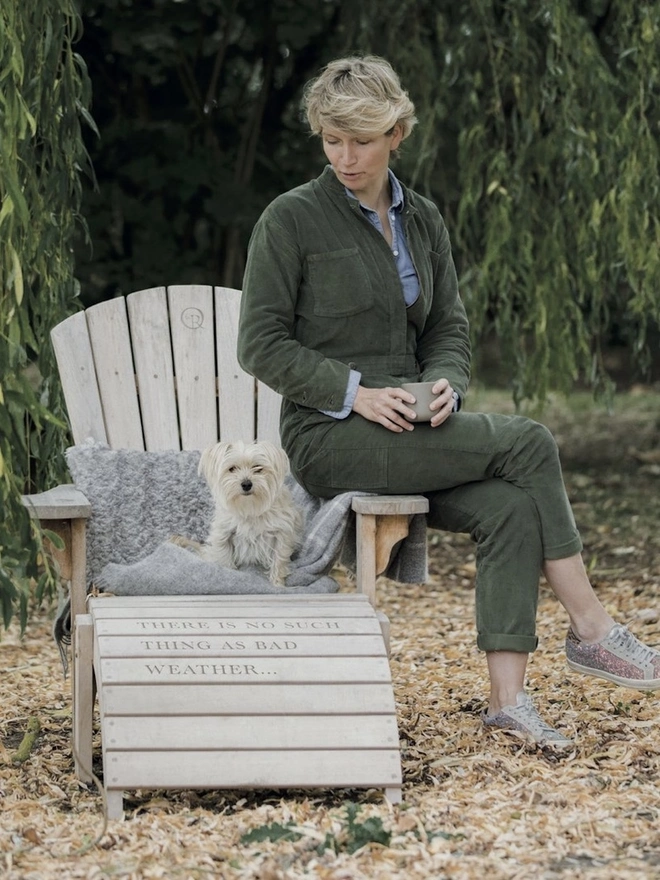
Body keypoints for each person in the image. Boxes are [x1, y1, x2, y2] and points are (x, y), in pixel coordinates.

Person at [237, 55, 660, 746]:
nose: (346, 156)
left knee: (512, 504)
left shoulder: (422, 218)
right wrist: (355, 393)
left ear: (397, 132)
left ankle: (508, 702)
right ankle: (592, 628)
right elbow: (260, 344)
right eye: (332, 139)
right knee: (530, 440)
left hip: (415, 423)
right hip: (331, 434)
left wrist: (446, 383)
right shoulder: (290, 221)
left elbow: (448, 328)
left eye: (363, 140)